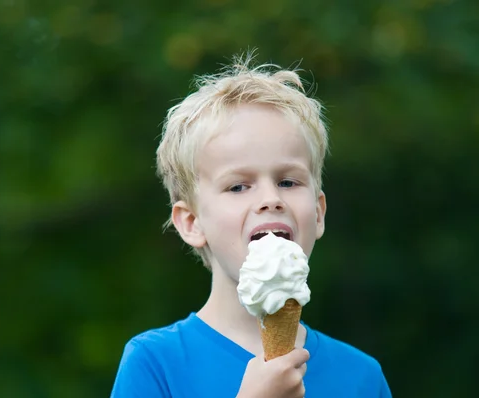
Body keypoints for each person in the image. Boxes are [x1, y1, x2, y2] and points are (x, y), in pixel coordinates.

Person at [111, 54, 392, 398]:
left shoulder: (361, 376)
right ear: (192, 222)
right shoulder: (155, 363)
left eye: (288, 182)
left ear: (318, 214)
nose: (270, 198)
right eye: (238, 186)